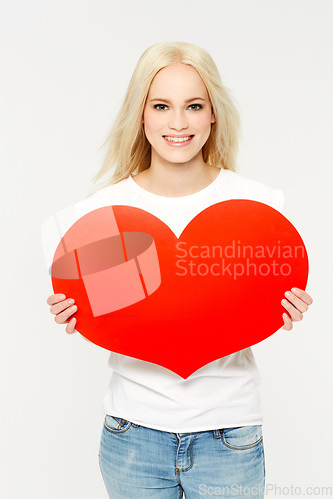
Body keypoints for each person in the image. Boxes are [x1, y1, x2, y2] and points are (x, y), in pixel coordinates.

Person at [46, 41, 313, 498]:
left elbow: (250, 304)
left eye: (194, 105)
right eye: (161, 106)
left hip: (230, 435)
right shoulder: (102, 214)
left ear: (213, 114)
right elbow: (122, 314)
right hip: (133, 436)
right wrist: (76, 312)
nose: (177, 122)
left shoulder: (257, 206)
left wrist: (283, 307)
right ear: (141, 115)